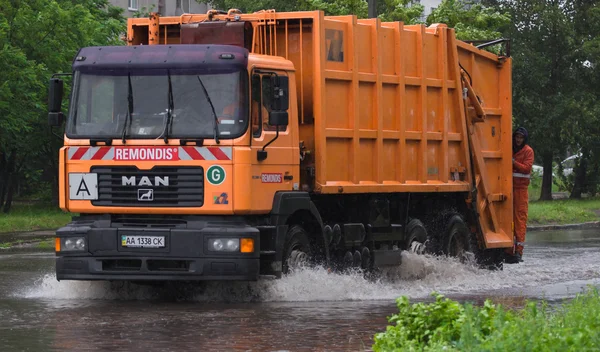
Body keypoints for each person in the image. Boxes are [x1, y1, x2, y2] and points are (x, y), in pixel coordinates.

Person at [506, 127, 534, 264]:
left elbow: (526, 168)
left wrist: (513, 163)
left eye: (521, 138)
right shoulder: (510, 149)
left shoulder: (528, 151)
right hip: (509, 189)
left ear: (524, 139)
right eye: (517, 137)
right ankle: (508, 250)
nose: (518, 140)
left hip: (521, 190)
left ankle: (518, 251)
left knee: (520, 221)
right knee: (507, 220)